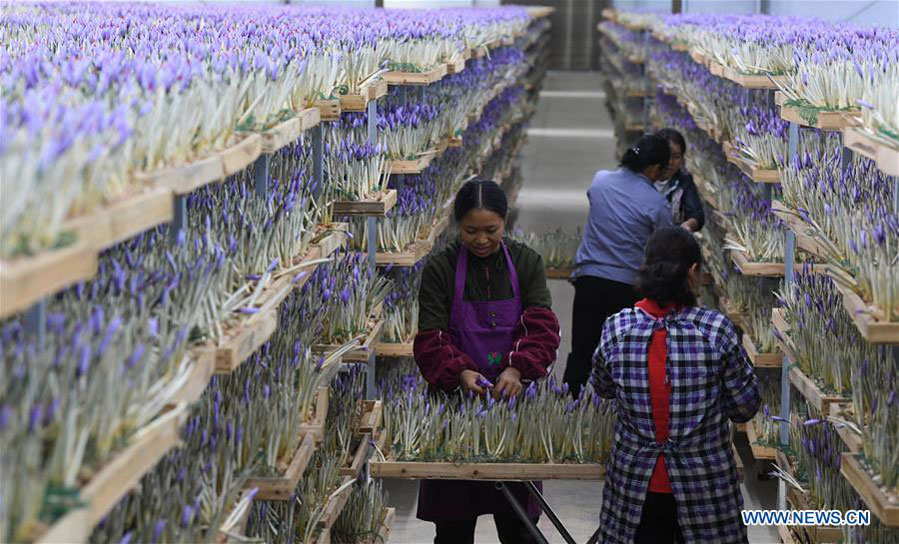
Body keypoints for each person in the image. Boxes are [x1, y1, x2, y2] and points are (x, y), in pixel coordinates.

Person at [413, 179, 561, 544]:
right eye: (471, 231)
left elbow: (542, 328)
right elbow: (430, 339)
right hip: (454, 409)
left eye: (491, 230)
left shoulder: (526, 262)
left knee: (519, 528)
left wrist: (517, 369)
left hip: (513, 409)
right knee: (453, 530)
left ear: (504, 222)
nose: (481, 240)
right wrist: (460, 371)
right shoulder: (441, 269)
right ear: (457, 226)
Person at [592, 227, 760, 544]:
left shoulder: (618, 327)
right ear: (693, 272)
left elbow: (602, 386)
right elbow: (745, 407)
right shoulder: (715, 330)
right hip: (704, 486)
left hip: (635, 486)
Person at [563, 134, 674, 398]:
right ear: (655, 168)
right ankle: (617, 410)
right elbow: (667, 243)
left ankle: (569, 404)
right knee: (623, 354)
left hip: (589, 281)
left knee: (582, 349)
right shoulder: (655, 202)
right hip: (627, 287)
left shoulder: (600, 180)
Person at [655, 128, 705, 232]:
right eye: (666, 156)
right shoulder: (643, 179)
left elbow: (697, 214)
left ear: (682, 159)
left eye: (676, 157)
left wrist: (688, 225)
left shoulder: (684, 182)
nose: (670, 162)